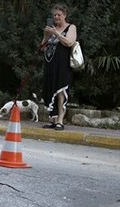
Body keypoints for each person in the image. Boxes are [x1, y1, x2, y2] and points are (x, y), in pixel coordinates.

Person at [41, 3, 77, 131]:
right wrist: (46, 34)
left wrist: (56, 33)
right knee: (50, 90)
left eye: (59, 15)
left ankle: (60, 121)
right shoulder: (52, 28)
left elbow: (69, 42)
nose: (56, 17)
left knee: (61, 91)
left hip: (63, 65)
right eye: (55, 15)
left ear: (65, 15)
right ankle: (53, 120)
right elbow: (43, 47)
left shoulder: (71, 27)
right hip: (50, 63)